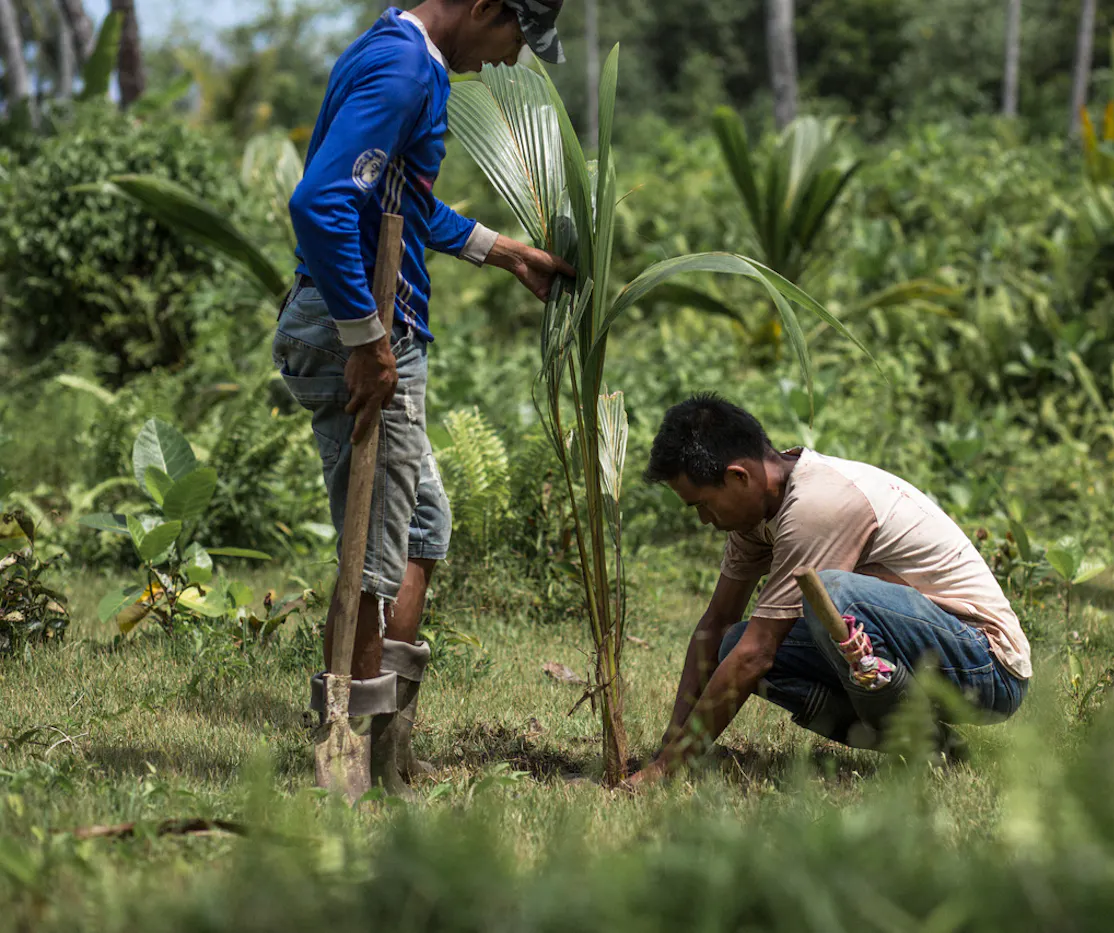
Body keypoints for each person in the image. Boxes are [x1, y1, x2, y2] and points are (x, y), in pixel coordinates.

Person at [275, 0, 572, 794]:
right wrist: (367, 341)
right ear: (484, 7)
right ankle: (350, 756)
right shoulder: (404, 67)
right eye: (516, 36)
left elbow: (397, 202)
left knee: (421, 527)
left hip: (376, 323)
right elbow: (321, 203)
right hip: (363, 327)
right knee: (376, 550)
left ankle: (389, 741)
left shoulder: (410, 58)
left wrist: (501, 251)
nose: (512, 60)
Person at [627, 394, 1032, 787]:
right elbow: (717, 623)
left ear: (738, 476)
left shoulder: (818, 505)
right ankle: (936, 748)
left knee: (832, 595)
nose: (702, 520)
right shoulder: (758, 514)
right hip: (931, 655)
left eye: (703, 504)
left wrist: (666, 769)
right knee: (732, 642)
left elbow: (757, 654)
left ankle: (919, 740)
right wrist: (673, 741)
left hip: (987, 667)